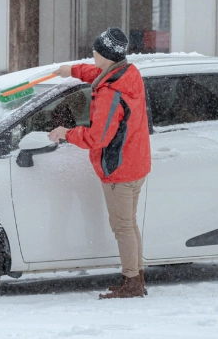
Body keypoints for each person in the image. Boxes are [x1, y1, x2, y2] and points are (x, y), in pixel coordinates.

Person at [48, 26, 152, 299]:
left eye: (95, 51)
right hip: (135, 162)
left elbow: (98, 138)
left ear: (105, 55)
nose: (92, 55)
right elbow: (98, 74)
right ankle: (136, 277)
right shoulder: (127, 74)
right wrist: (71, 70)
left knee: (122, 227)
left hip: (119, 168)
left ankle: (132, 282)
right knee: (129, 224)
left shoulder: (110, 95)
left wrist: (65, 133)